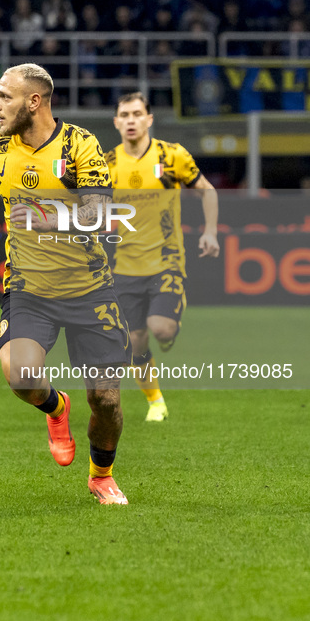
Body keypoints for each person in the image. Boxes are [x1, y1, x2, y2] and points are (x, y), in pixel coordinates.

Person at [0, 63, 132, 505]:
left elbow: (98, 217)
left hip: (88, 289)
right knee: (20, 377)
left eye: (5, 96)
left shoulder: (79, 145)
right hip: (29, 290)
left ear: (34, 101)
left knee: (106, 401)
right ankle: (56, 408)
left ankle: (101, 476)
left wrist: (62, 203)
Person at [105, 92, 219, 422]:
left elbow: (206, 190)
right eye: (124, 115)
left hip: (166, 260)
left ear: (149, 119)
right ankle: (156, 401)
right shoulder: (108, 164)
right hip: (125, 266)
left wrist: (210, 231)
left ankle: (170, 322)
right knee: (136, 344)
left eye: (137, 114)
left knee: (162, 329)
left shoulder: (172, 157)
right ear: (115, 122)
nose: (130, 120)